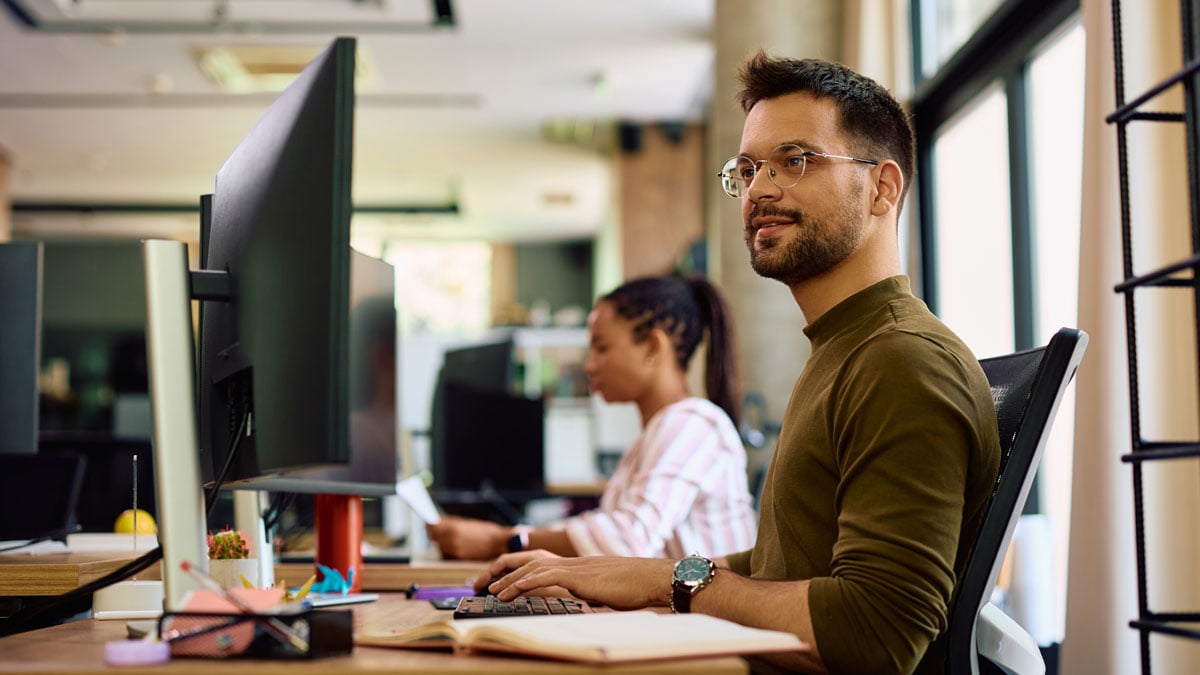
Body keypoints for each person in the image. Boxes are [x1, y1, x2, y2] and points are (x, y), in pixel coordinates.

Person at [473, 52, 1002, 675]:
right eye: (747, 169)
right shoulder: (844, 349)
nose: (760, 189)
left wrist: (666, 583)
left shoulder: (901, 361)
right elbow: (788, 568)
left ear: (882, 187)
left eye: (795, 160)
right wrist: (625, 574)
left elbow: (876, 634)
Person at [426, 274, 757, 561]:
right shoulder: (653, 438)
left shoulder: (693, 423)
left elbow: (626, 540)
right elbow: (608, 531)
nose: (589, 365)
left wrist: (502, 541)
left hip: (707, 626)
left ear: (653, 346)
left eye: (601, 347)